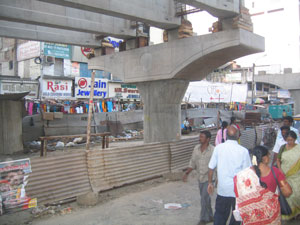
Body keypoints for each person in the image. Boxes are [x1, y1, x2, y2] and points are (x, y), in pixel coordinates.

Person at [233, 146, 292, 225]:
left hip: (252, 219)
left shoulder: (245, 175)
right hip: (271, 217)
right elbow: (288, 192)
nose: (270, 157)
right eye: (269, 155)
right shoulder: (275, 172)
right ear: (265, 159)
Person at [207, 126, 251, 225]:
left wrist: (210, 183)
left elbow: (211, 167)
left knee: (220, 216)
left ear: (226, 136)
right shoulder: (243, 151)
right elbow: (247, 172)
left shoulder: (218, 148)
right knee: (236, 217)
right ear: (238, 136)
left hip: (223, 190)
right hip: (238, 191)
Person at [183, 131, 214, 225]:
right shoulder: (196, 148)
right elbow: (192, 162)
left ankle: (203, 219)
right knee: (205, 198)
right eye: (200, 136)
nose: (200, 138)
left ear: (208, 139)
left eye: (202, 137)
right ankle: (210, 216)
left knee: (204, 198)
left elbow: (216, 165)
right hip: (200, 177)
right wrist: (187, 173)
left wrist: (215, 181)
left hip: (209, 178)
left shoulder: (213, 150)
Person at [276, 130, 300, 221]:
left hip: (297, 177)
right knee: (288, 195)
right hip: (284, 176)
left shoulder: (298, 148)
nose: (290, 142)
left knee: (297, 194)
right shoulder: (282, 148)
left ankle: (297, 212)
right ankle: (290, 214)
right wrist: (280, 170)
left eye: (292, 140)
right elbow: (278, 160)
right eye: (288, 140)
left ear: (295, 139)